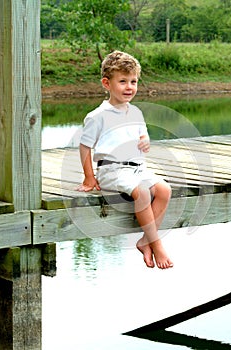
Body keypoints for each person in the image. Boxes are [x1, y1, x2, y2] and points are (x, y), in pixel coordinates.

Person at [77, 50, 173, 269]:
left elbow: (142, 135)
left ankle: (144, 240)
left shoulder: (136, 112)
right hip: (112, 171)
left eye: (133, 81)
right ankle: (156, 244)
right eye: (122, 81)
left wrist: (144, 141)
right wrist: (89, 178)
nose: (129, 87)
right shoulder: (98, 116)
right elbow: (85, 147)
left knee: (165, 190)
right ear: (106, 83)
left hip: (138, 168)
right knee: (142, 193)